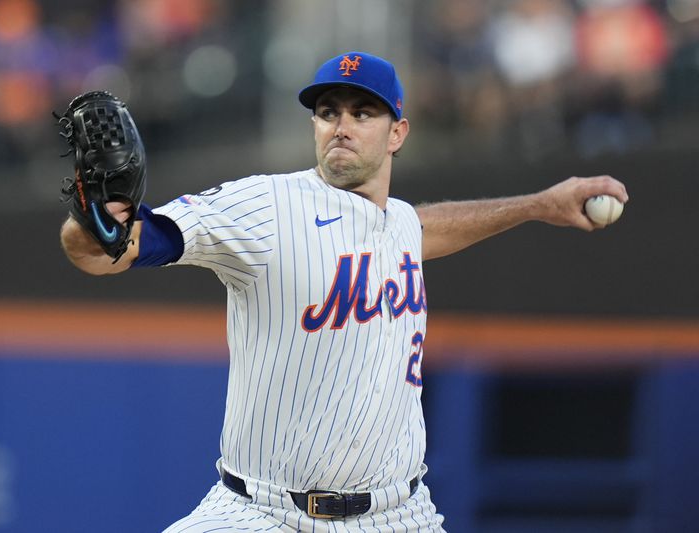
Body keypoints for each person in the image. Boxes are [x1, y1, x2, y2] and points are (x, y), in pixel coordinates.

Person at [59, 51, 629, 532]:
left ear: (398, 132)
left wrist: (537, 206)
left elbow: (430, 226)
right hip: (261, 512)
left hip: (397, 513)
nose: (341, 125)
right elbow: (113, 248)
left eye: (363, 111)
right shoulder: (266, 207)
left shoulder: (400, 223)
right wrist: (93, 223)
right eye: (328, 112)